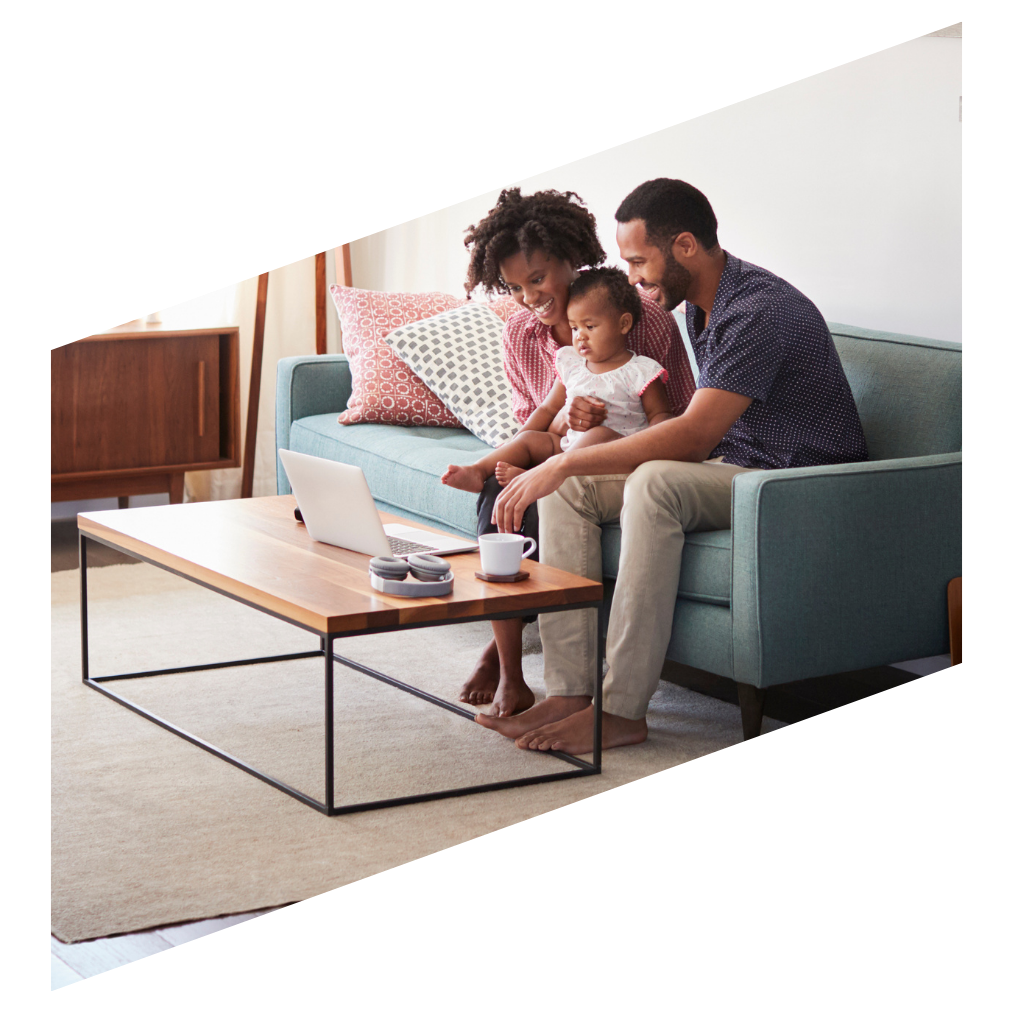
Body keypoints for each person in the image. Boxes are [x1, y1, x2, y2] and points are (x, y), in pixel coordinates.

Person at [477, 178, 869, 755]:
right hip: (741, 465)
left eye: (638, 260)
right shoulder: (703, 308)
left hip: (795, 480)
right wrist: (564, 466)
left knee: (652, 481)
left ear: (684, 246)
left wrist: (558, 465)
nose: (632, 276)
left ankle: (621, 711)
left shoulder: (757, 309)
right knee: (570, 490)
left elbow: (691, 435)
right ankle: (569, 693)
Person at [456, 188, 696, 719]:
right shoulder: (520, 331)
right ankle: (512, 675)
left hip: (622, 454)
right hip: (557, 448)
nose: (529, 298)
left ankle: (501, 653)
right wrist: (562, 426)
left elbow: (673, 416)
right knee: (502, 491)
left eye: (538, 279)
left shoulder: (643, 320)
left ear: (571, 259)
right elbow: (536, 421)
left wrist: (591, 430)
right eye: (516, 287)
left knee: (543, 488)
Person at [442, 266, 673, 495]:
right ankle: (478, 470)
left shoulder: (641, 371)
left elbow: (660, 416)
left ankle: (536, 475)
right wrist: (520, 441)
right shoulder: (572, 363)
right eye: (574, 327)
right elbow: (548, 408)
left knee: (599, 434)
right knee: (532, 439)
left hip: (615, 454)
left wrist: (651, 450)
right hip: (567, 447)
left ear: (623, 324)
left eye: (589, 326)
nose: (580, 336)